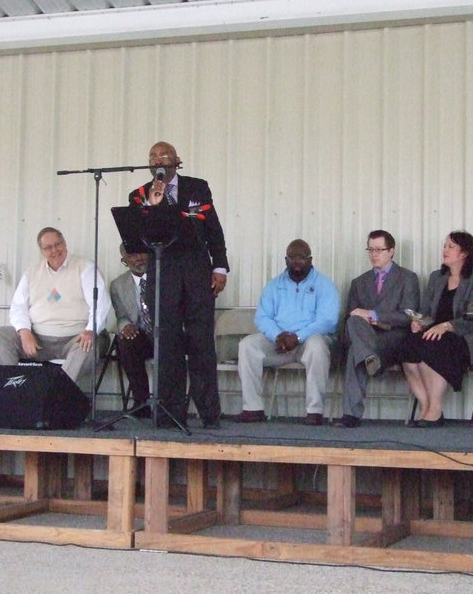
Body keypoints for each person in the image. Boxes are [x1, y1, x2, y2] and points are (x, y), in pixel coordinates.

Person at [128, 141, 228, 429]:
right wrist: (153, 206)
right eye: (153, 156)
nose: (158, 159)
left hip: (197, 271)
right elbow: (138, 237)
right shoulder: (139, 195)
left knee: (201, 342)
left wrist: (220, 266)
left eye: (164, 155)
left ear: (177, 160)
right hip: (163, 272)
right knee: (167, 344)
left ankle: (209, 413)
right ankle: (170, 413)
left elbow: (213, 230)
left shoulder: (197, 187)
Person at [375, 230, 473, 429]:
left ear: (464, 253)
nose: (445, 250)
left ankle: (435, 408)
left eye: (450, 247)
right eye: (444, 246)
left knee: (432, 347)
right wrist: (419, 322)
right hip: (434, 333)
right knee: (406, 347)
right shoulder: (436, 277)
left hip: (466, 335)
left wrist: (447, 326)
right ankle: (425, 405)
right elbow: (426, 312)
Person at [0, 227, 111, 387]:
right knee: (0, 336)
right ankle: (12, 391)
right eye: (48, 247)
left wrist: (90, 330)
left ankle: (57, 394)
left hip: (75, 337)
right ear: (41, 251)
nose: (54, 250)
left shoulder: (85, 267)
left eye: (58, 244)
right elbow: (18, 307)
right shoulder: (31, 273)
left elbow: (101, 303)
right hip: (39, 340)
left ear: (65, 243)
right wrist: (24, 331)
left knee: (87, 345)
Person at [237, 239, 340, 426]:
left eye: (302, 257)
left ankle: (314, 411)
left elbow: (328, 321)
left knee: (317, 346)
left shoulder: (324, 285)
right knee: (247, 345)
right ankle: (253, 408)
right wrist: (278, 335)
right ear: (286, 260)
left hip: (308, 343)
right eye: (292, 257)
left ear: (310, 259)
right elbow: (262, 317)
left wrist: (298, 336)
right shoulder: (274, 285)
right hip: (279, 344)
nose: (297, 261)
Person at [339, 230, 420, 425]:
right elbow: (352, 318)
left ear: (391, 251)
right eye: (370, 249)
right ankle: (369, 357)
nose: (374, 254)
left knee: (356, 350)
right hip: (366, 339)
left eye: (379, 250)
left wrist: (373, 316)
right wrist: (361, 317)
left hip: (393, 340)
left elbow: (408, 316)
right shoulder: (358, 283)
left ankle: (351, 414)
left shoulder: (407, 278)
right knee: (353, 324)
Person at [109, 243, 154, 418]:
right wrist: (125, 326)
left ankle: (169, 405)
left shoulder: (164, 278)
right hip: (142, 336)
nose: (139, 258)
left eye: (142, 253)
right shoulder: (117, 285)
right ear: (124, 261)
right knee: (126, 341)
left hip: (167, 334)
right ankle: (141, 403)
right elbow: (121, 316)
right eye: (132, 255)